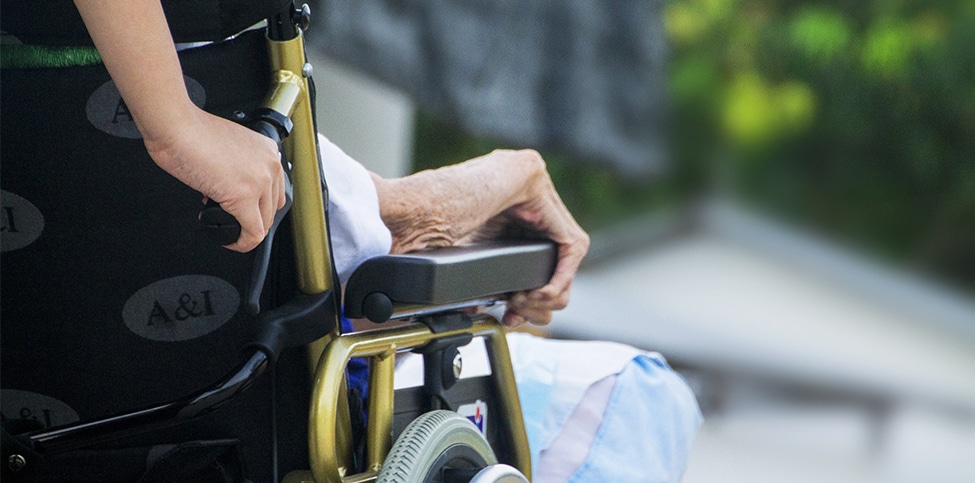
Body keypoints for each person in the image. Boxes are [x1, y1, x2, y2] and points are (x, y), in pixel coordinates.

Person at [22, 0, 702, 480]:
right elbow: (366, 248)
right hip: (232, 437)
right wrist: (171, 121)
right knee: (640, 390)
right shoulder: (209, 127)